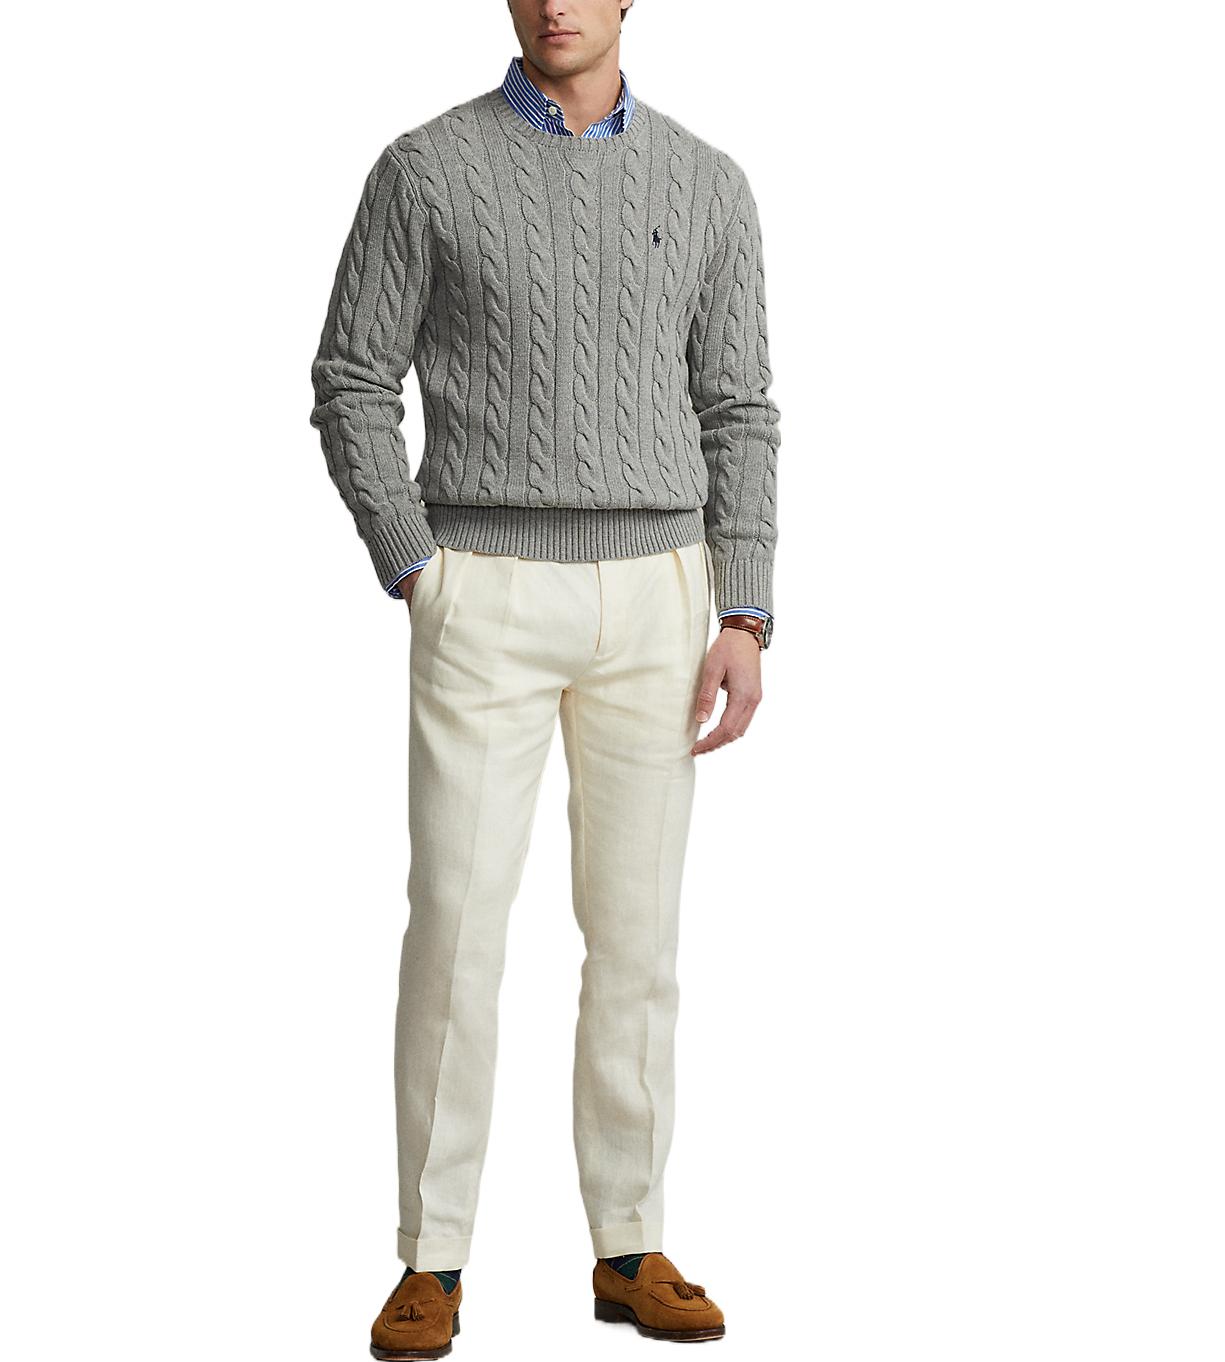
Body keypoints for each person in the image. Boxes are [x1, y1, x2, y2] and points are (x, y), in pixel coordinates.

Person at [309, 1, 778, 1354]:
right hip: (483, 591)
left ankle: (629, 1243)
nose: (555, 1)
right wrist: (415, 564)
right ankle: (432, 1256)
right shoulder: (425, 169)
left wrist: (744, 608)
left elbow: (738, 406)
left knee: (636, 939)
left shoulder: (707, 183)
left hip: (659, 596)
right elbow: (352, 379)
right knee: (455, 926)